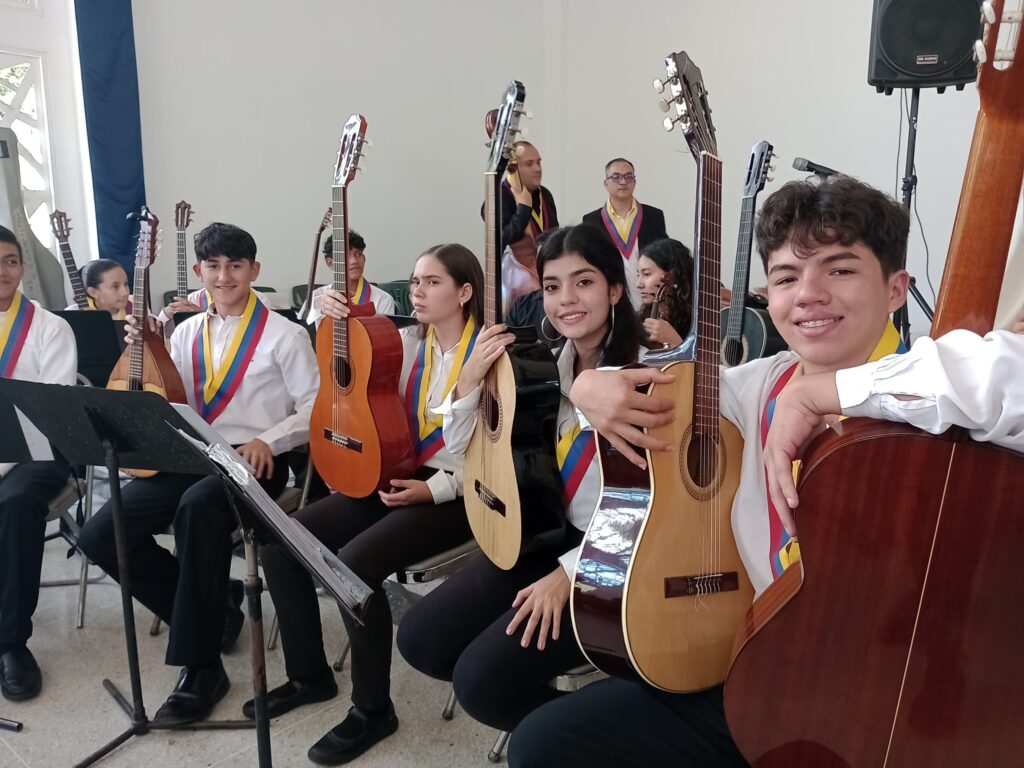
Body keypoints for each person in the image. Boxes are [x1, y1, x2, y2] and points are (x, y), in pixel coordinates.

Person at [507, 175, 929, 767]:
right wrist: (586, 385)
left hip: (886, 688)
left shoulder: (937, 400)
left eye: (839, 269)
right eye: (786, 277)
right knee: (543, 743)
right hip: (760, 655)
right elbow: (655, 384)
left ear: (895, 290)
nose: (808, 294)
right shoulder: (760, 384)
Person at [397, 225, 642, 735]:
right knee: (420, 640)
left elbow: (651, 504)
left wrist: (571, 573)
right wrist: (469, 378)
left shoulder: (643, 379)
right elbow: (462, 447)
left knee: (480, 684)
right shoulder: (541, 366)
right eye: (552, 286)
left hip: (615, 556)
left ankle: (601, 740)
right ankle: (567, 726)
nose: (566, 299)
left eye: (584, 282)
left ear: (615, 289)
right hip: (540, 532)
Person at [77, 222, 318, 725]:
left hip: (256, 461)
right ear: (198, 270)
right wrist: (146, 347)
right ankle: (216, 611)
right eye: (213, 266)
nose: (224, 276)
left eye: (235, 265)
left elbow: (315, 409)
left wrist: (268, 440)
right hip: (193, 455)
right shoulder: (184, 333)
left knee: (197, 509)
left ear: (254, 270)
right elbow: (166, 394)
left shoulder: (286, 334)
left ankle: (202, 667)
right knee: (101, 533)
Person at [254, 244, 483, 765]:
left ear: (464, 292)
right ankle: (309, 676)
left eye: (432, 282)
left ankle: (373, 710)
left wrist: (434, 490)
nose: (417, 291)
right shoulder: (406, 343)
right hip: (396, 473)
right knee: (281, 543)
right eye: (415, 281)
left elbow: (501, 458)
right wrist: (330, 314)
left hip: (458, 492)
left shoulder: (487, 355)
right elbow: (349, 366)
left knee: (353, 566)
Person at [0, 225, 77, 702]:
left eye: (10, 261)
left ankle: (11, 642)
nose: (2, 271)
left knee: (14, 505)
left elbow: (52, 411)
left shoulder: (50, 328)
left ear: (22, 268)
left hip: (38, 450)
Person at [582, 158, 668, 307]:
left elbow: (663, 259)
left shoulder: (653, 215)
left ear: (634, 182)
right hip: (611, 296)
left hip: (649, 296)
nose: (623, 182)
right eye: (616, 177)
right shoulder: (591, 221)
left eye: (628, 176)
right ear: (606, 184)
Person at [485, 141, 559, 311]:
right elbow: (499, 242)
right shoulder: (497, 197)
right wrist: (523, 209)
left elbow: (554, 236)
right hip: (515, 289)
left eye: (539, 162)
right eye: (529, 164)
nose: (537, 169)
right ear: (513, 168)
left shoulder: (545, 194)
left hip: (547, 279)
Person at [307, 230, 395, 326]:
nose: (354, 261)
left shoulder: (383, 299)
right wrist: (319, 309)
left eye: (359, 254)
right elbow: (303, 325)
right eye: (345, 255)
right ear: (330, 263)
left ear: (364, 259)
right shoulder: (318, 296)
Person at [635, 238, 693, 350]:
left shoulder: (698, 320)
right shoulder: (637, 321)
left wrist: (674, 341)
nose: (639, 284)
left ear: (672, 275)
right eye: (638, 275)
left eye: (646, 274)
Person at [65, 258, 130, 318]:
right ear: (93, 292)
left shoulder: (134, 308)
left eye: (126, 284)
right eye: (115, 286)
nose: (125, 293)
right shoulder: (71, 314)